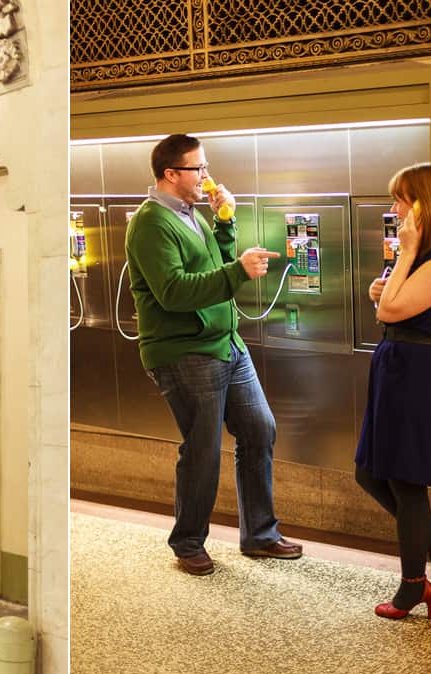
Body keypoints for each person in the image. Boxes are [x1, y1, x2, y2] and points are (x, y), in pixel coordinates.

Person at [125, 133, 302, 576]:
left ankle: (259, 534)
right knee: (203, 449)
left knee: (259, 429)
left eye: (205, 167)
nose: (207, 176)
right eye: (198, 168)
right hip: (185, 352)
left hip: (226, 344)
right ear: (171, 174)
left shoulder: (190, 216)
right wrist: (236, 270)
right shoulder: (150, 223)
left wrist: (224, 221)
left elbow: (216, 264)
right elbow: (173, 292)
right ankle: (187, 542)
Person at [356, 162, 431, 619]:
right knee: (370, 473)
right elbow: (390, 310)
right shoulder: (428, 256)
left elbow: (391, 313)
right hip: (396, 366)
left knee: (406, 484)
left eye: (400, 200)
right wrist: (383, 291)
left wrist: (403, 258)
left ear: (426, 204)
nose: (394, 209)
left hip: (419, 372)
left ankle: (413, 587)